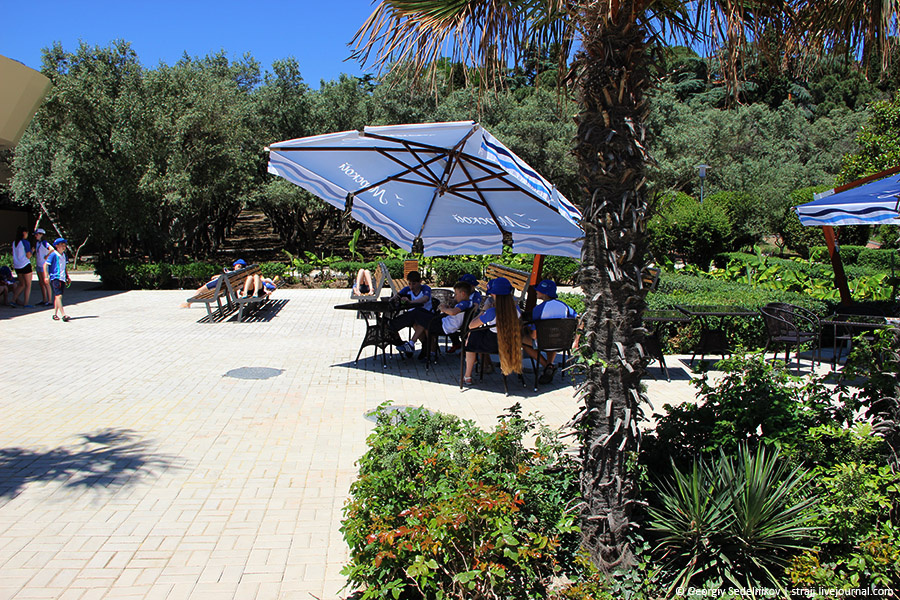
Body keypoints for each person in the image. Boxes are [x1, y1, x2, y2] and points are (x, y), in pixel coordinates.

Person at [462, 277, 522, 386]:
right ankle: (485, 365)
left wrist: (484, 310)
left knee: (472, 336)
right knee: (476, 335)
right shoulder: (517, 310)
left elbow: (471, 325)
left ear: (493, 294)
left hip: (492, 344)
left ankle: (467, 375)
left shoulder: (492, 312)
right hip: (509, 343)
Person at [523, 279, 579, 384]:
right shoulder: (564, 306)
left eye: (538, 290)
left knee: (522, 341)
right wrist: (576, 340)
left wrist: (528, 330)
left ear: (544, 293)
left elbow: (534, 336)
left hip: (544, 343)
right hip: (561, 342)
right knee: (551, 337)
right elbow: (580, 319)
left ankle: (547, 366)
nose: (536, 291)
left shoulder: (539, 309)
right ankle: (549, 365)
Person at [409, 281, 473, 360]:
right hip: (444, 323)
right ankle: (415, 344)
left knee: (419, 317)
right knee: (421, 314)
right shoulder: (468, 302)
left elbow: (453, 312)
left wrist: (443, 309)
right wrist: (449, 308)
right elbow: (455, 311)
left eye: (456, 294)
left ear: (463, 294)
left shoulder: (463, 303)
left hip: (445, 327)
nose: (454, 297)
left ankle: (416, 345)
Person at [389, 271, 433, 357]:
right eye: (409, 284)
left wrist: (410, 302)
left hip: (427, 315)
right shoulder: (407, 289)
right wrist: (398, 299)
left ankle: (393, 325)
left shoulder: (425, 288)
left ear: (420, 282)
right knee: (416, 323)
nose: (411, 286)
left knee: (416, 313)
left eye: (414, 284)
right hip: (416, 318)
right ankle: (423, 345)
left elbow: (425, 299)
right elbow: (396, 296)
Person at [181, 259, 246, 307]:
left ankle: (188, 303)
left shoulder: (233, 274)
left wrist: (219, 276)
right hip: (223, 287)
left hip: (218, 285)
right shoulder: (240, 275)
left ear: (238, 266)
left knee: (200, 290)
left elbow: (225, 276)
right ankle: (189, 303)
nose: (234, 267)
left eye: (235, 265)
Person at [447, 273, 482, 354]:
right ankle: (456, 343)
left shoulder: (476, 295)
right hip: (459, 315)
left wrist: (465, 305)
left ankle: (465, 348)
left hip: (470, 317)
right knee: (448, 322)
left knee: (465, 329)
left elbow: (475, 307)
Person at [44, 237, 71, 322]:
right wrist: (46, 276)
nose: (64, 247)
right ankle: (63, 314)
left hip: (62, 278)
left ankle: (55, 314)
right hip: (55, 277)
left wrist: (67, 276)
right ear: (57, 246)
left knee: (57, 296)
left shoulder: (64, 255)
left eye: (64, 245)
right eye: (62, 245)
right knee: (59, 296)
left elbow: (64, 266)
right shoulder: (53, 255)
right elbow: (45, 265)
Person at [10, 226, 34, 308]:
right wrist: (32, 251)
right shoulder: (25, 242)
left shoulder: (14, 242)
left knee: (21, 284)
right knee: (28, 285)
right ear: (24, 233)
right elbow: (28, 255)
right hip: (25, 265)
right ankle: (26, 303)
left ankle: (13, 300)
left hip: (17, 266)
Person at [33, 228, 53, 306]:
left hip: (43, 265)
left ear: (42, 235)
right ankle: (44, 299)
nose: (36, 236)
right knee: (41, 283)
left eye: (37, 234)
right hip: (38, 264)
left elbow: (52, 249)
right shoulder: (38, 243)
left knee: (46, 283)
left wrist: (47, 256)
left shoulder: (44, 243)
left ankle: (50, 300)